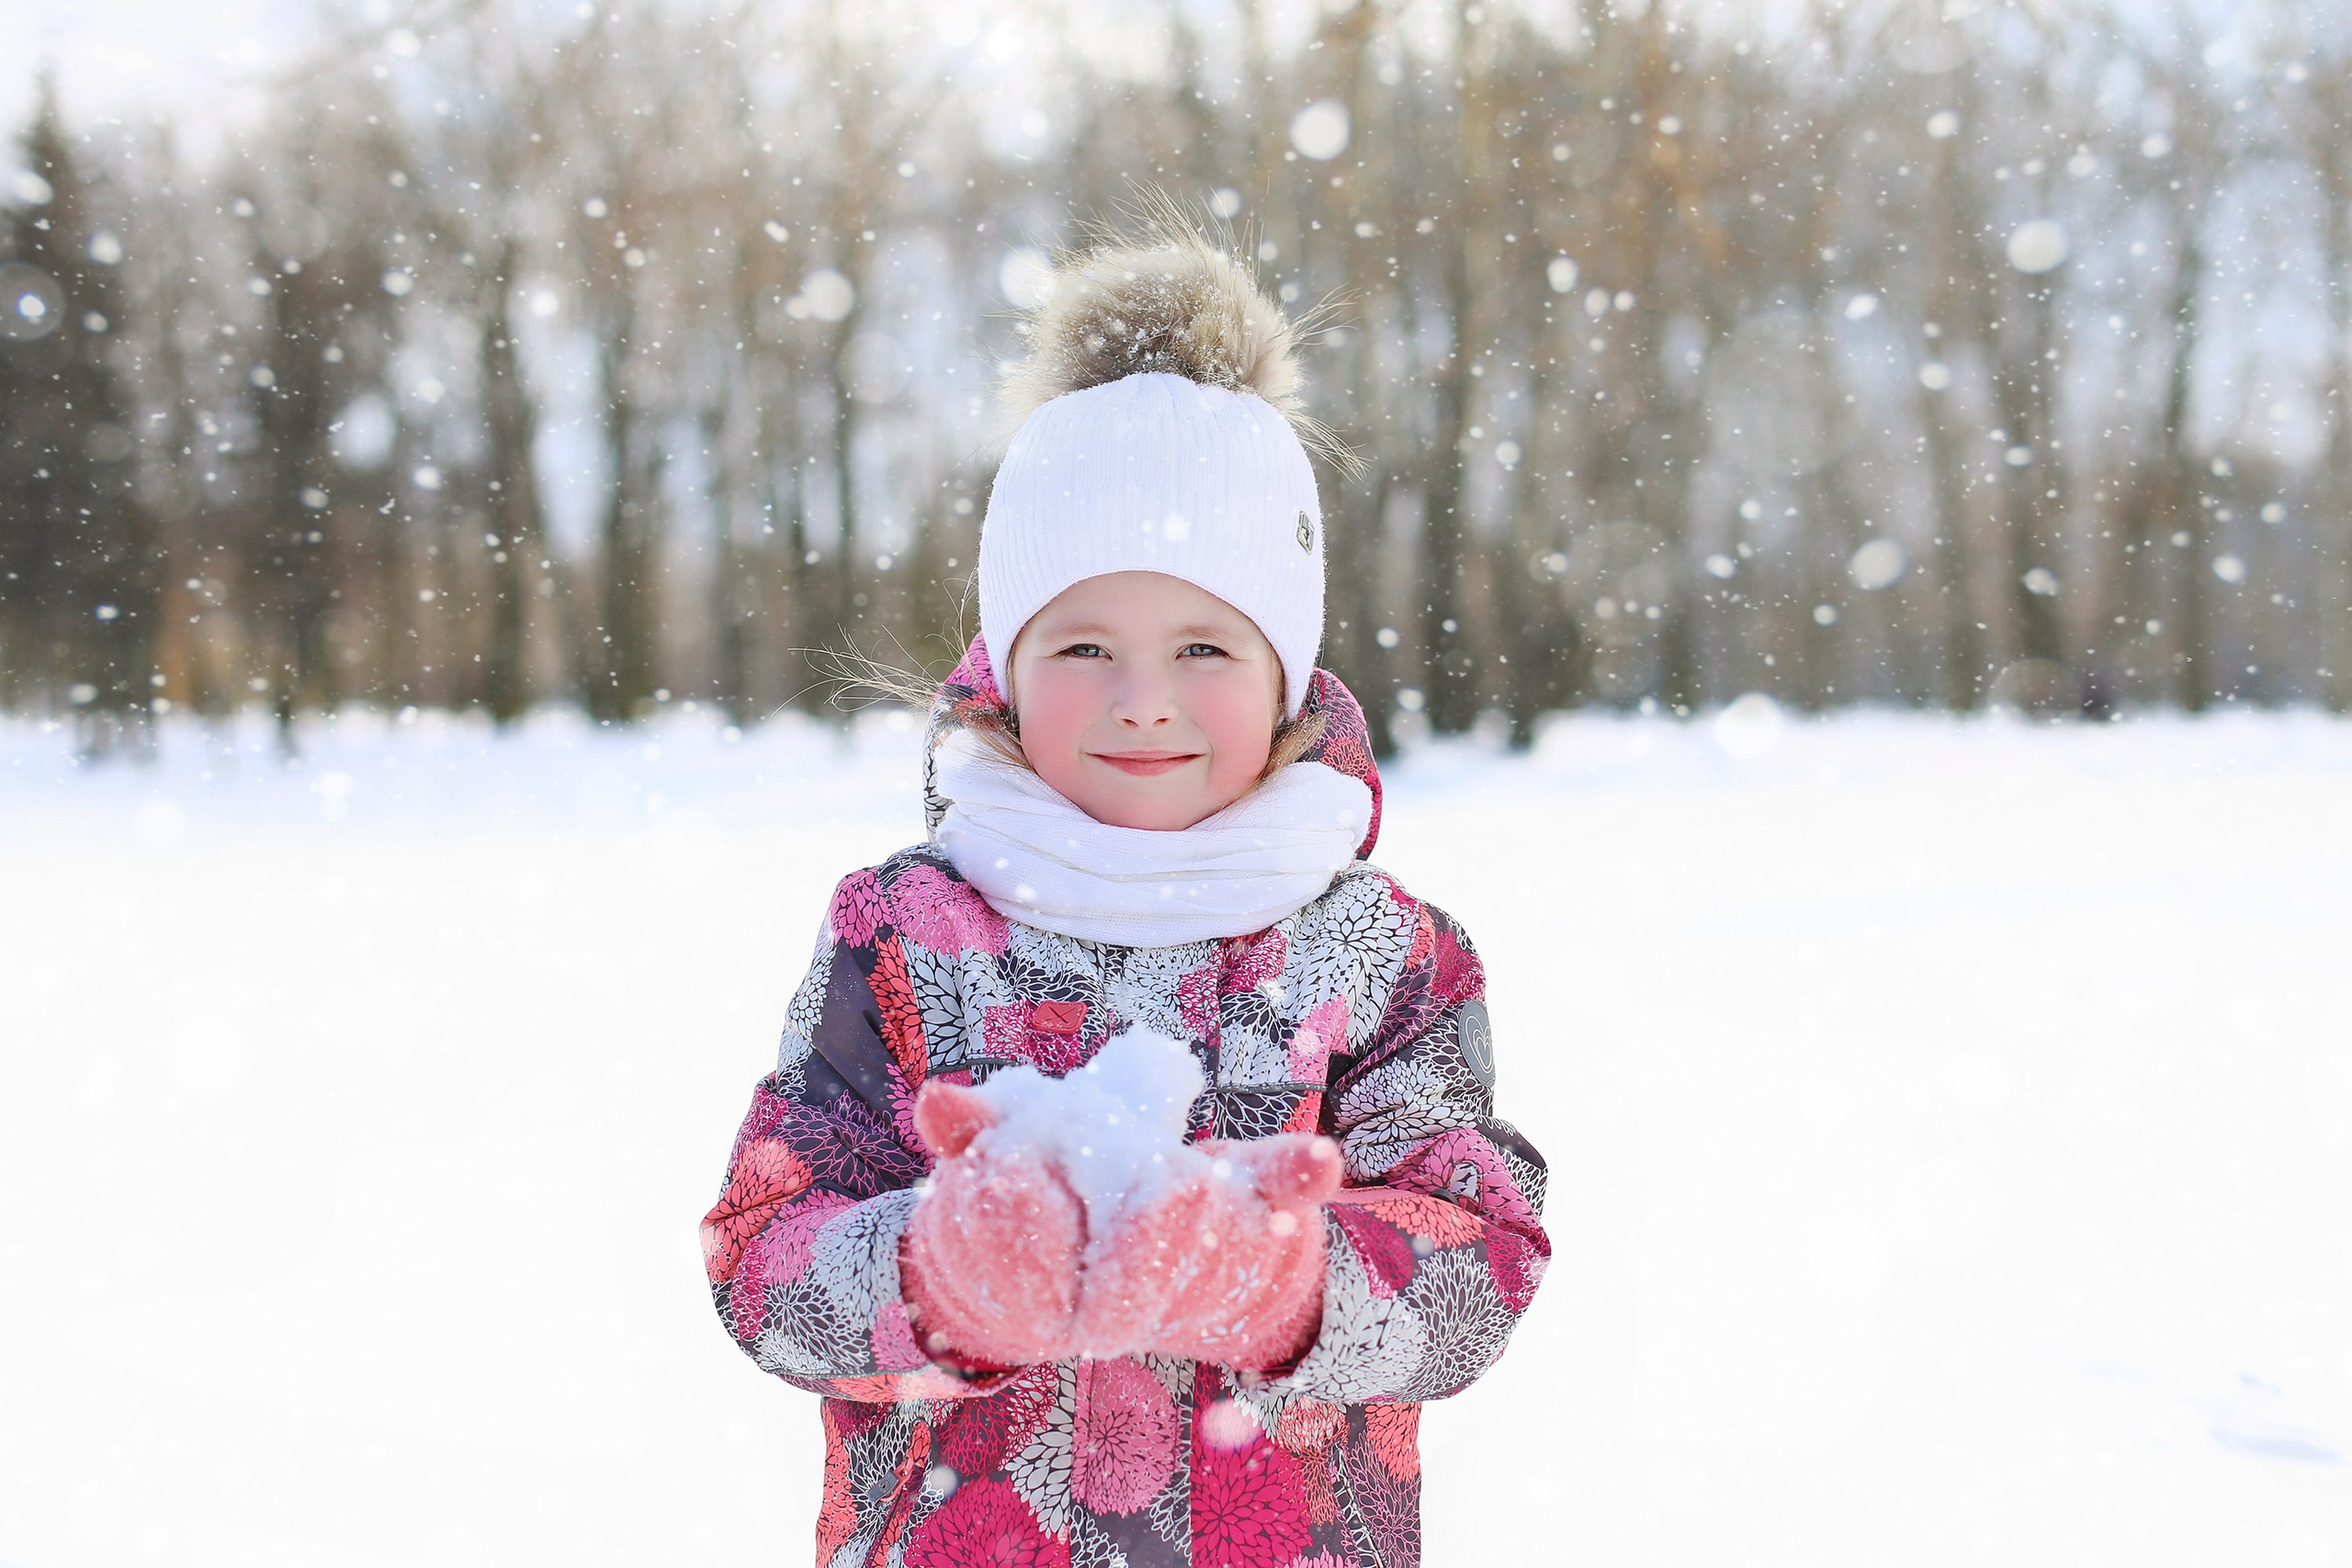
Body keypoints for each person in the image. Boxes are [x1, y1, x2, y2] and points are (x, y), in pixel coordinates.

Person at [700, 210, 1549, 1568]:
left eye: (1206, 644)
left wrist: (1280, 1281)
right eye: (1085, 642)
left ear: (1283, 674)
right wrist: (933, 1274)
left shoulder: (1387, 958)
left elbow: (1480, 1268)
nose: (1144, 703)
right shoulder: (905, 934)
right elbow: (763, 1254)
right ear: (1007, 662)